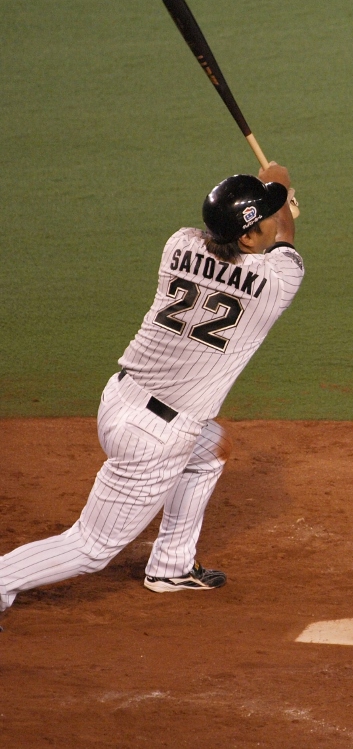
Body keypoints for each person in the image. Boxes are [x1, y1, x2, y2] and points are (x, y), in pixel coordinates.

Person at [0, 162, 303, 613]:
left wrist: (270, 188)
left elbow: (262, 235)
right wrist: (281, 189)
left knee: (210, 449)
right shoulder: (274, 283)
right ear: (246, 238)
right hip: (155, 438)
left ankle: (171, 566)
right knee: (90, 547)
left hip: (119, 399)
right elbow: (286, 243)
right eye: (265, 217)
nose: (274, 220)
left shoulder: (178, 244)